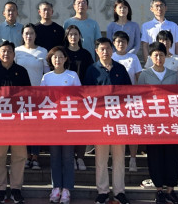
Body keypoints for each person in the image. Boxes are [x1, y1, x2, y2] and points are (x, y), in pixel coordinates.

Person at [82, 38, 132, 204]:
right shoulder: (92, 70)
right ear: (97, 51)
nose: (105, 52)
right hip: (100, 121)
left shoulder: (120, 69)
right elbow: (86, 95)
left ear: (112, 50)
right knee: (101, 159)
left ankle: (119, 192)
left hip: (118, 120)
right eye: (102, 49)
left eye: (108, 48)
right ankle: (102, 191)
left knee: (119, 158)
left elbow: (129, 92)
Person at [0, 41, 31, 204]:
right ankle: (1, 188)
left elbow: (29, 94)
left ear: (14, 54)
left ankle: (16, 188)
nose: (6, 54)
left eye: (9, 51)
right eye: (3, 51)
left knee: (19, 155)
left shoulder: (22, 71)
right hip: (0, 121)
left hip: (18, 121)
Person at [138, 42, 178, 204]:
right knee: (155, 156)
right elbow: (139, 98)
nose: (159, 58)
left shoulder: (173, 75)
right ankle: (159, 190)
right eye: (155, 55)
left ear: (166, 56)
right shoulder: (145, 75)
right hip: (153, 123)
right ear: (150, 57)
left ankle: (170, 189)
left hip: (171, 123)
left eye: (162, 55)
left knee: (173, 156)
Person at [41, 47, 81, 204]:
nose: (57, 60)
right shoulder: (46, 77)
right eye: (54, 57)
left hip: (68, 122)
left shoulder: (72, 75)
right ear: (50, 60)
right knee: (55, 156)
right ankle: (56, 187)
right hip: (53, 123)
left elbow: (79, 97)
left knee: (68, 156)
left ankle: (67, 189)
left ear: (65, 59)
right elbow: (41, 99)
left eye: (60, 57)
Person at [15, 23, 49, 169]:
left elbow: (46, 73)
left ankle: (35, 156)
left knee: (36, 127)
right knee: (23, 127)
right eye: (26, 33)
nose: (29, 36)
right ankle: (25, 155)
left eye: (31, 33)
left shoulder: (42, 51)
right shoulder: (17, 51)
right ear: (22, 35)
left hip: (37, 95)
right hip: (21, 96)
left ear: (35, 35)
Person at [62, 24, 93, 170]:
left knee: (81, 128)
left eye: (76, 34)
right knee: (68, 128)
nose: (73, 37)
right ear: (66, 37)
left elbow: (90, 73)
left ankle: (80, 157)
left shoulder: (86, 54)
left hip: (82, 96)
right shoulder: (62, 53)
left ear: (80, 36)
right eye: (70, 34)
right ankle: (70, 158)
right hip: (65, 97)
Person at [110, 30, 142, 171]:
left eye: (123, 41)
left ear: (127, 43)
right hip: (113, 100)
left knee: (132, 130)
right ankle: (116, 160)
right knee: (115, 131)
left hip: (130, 99)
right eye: (118, 41)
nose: (121, 44)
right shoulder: (111, 57)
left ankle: (133, 159)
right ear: (114, 43)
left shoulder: (133, 58)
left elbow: (139, 77)